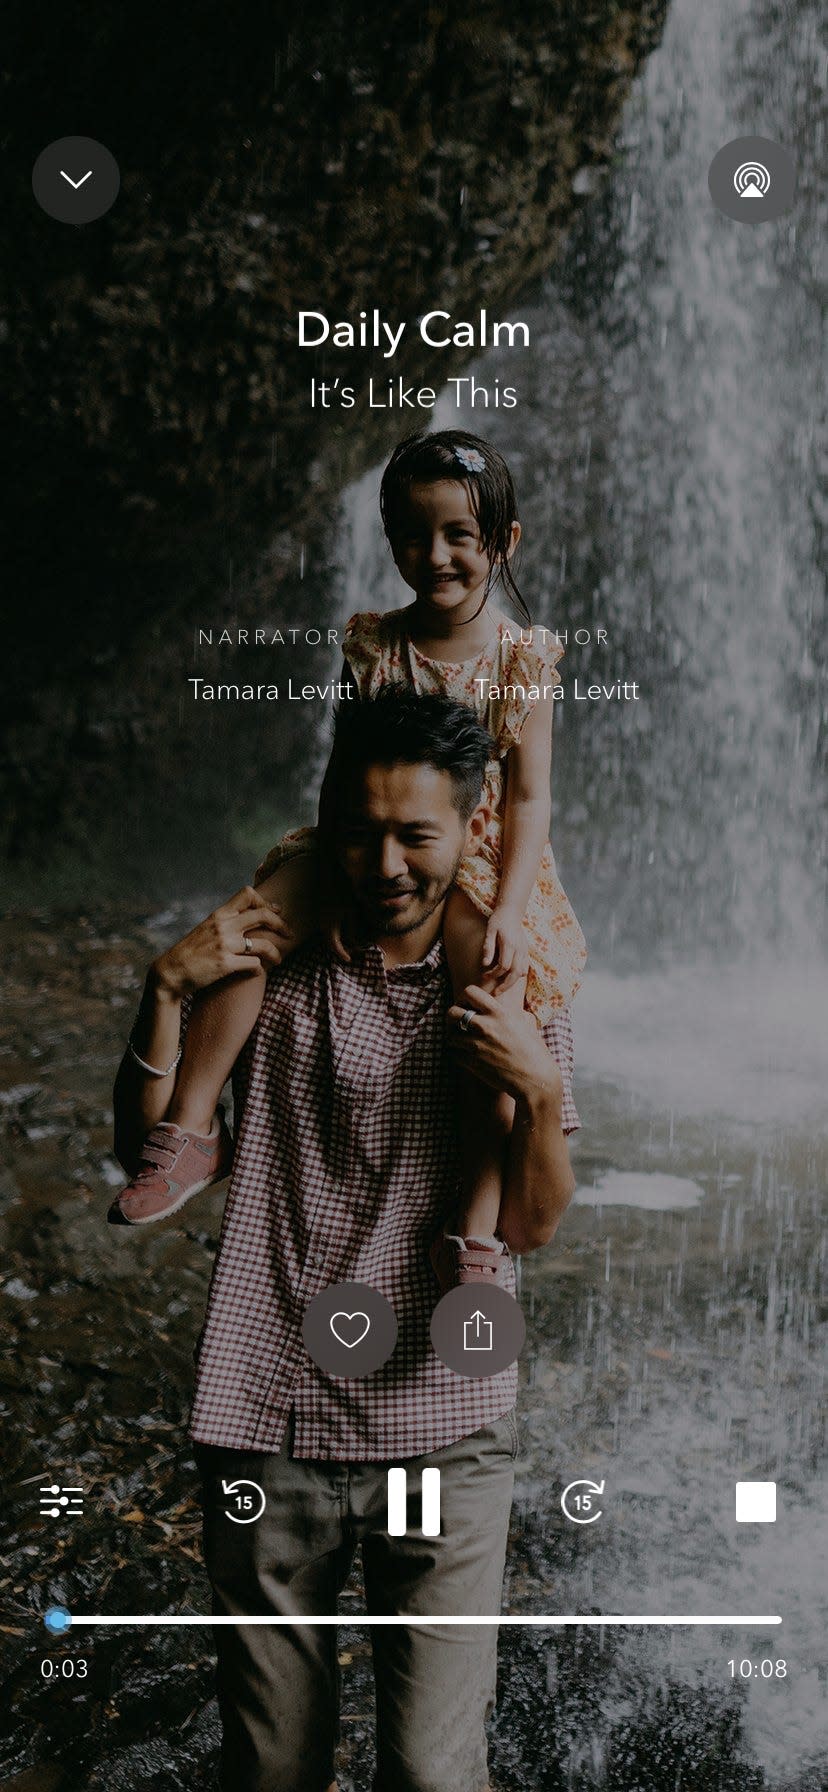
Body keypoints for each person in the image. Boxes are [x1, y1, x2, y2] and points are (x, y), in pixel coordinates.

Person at [112, 688, 580, 1792]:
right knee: (271, 1770)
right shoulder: (265, 950)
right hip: (266, 1405)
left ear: (469, 831)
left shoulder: (516, 979)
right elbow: (143, 1148)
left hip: (440, 1419)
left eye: (414, 835)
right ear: (323, 816)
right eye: (358, 829)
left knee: (430, 1772)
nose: (383, 864)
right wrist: (165, 983)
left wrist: (544, 1090)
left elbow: (532, 1223)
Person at [111, 430, 586, 1292]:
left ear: (504, 543)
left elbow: (526, 800)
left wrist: (512, 911)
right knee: (255, 917)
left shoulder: (522, 660)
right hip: (361, 841)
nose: (434, 556)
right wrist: (330, 890)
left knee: (492, 996)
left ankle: (475, 1225)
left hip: (473, 863)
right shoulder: (372, 642)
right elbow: (341, 776)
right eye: (412, 535)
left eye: (459, 537)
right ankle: (189, 1128)